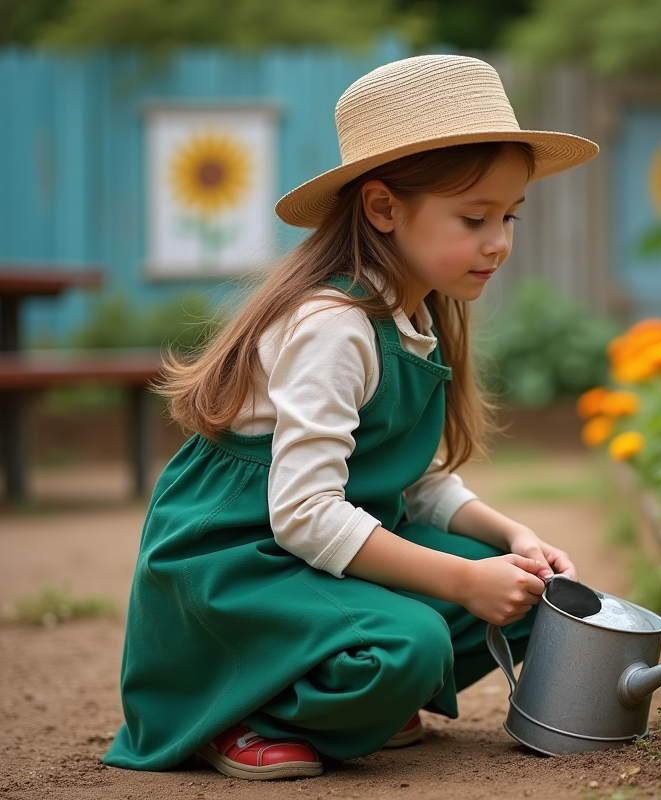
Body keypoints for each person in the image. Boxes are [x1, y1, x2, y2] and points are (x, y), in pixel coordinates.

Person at [102, 54, 599, 781]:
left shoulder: (414, 311)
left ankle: (348, 687)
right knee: (417, 645)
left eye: (509, 216)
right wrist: (462, 583)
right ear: (382, 208)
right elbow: (303, 513)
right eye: (474, 217)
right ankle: (242, 711)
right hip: (240, 566)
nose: (499, 241)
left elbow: (413, 480)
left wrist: (512, 538)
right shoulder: (333, 326)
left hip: (312, 556)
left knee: (533, 602)